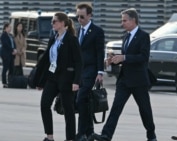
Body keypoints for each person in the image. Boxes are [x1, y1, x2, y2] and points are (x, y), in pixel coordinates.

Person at [93, 8, 157, 141]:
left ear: (133, 20)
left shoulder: (143, 36)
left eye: (124, 21)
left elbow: (143, 57)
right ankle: (106, 135)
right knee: (116, 108)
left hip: (139, 80)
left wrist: (124, 58)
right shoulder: (125, 36)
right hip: (124, 80)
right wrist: (114, 60)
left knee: (145, 110)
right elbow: (124, 58)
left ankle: (151, 135)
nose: (122, 23)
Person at [33, 12, 82, 141]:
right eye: (52, 21)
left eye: (54, 21)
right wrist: (39, 80)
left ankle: (70, 138)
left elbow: (79, 62)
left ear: (62, 23)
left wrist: (76, 81)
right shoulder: (53, 38)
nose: (52, 23)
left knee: (68, 110)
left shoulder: (71, 39)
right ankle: (49, 136)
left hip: (67, 79)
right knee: (44, 104)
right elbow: (46, 61)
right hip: (52, 78)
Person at [74, 3, 105, 141]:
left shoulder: (97, 31)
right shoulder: (76, 30)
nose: (79, 19)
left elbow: (100, 53)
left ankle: (81, 133)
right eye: (77, 16)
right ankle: (89, 131)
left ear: (89, 16)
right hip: (79, 72)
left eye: (82, 16)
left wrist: (100, 72)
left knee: (81, 99)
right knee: (84, 101)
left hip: (91, 71)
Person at [0, 22, 17, 88]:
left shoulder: (11, 35)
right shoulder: (3, 35)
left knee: (11, 68)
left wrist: (15, 49)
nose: (10, 29)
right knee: (5, 68)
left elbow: (13, 43)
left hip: (11, 54)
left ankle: (10, 81)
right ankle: (4, 82)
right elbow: (6, 44)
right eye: (9, 27)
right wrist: (12, 49)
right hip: (6, 54)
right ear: (6, 28)